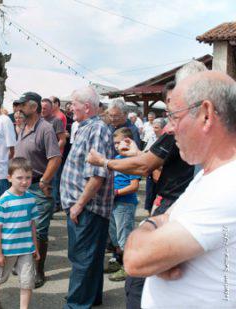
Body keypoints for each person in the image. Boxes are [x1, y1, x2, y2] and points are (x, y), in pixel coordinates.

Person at [123, 71, 236, 308]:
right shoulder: (208, 176)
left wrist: (149, 229)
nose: (169, 129)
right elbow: (164, 218)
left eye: (174, 117)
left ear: (206, 115)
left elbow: (135, 260)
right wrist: (156, 227)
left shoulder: (226, 184)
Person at [86, 82, 194, 308]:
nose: (170, 113)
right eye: (169, 105)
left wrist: (104, 162)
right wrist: (138, 154)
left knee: (138, 280)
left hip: (168, 205)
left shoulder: (178, 132)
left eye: (174, 106)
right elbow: (153, 163)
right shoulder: (180, 135)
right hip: (166, 204)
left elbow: (145, 167)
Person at [60, 86, 115, 308]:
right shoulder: (86, 127)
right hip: (83, 206)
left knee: (82, 258)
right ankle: (90, 298)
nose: (70, 107)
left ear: (87, 106)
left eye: (74, 103)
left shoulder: (98, 129)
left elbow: (97, 174)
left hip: (86, 207)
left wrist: (79, 205)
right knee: (89, 257)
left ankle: (77, 304)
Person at [4, 92, 61, 288]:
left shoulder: (45, 129)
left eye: (22, 105)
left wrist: (45, 181)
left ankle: (38, 271)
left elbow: (55, 158)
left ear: (34, 107)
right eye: (17, 105)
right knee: (23, 226)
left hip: (38, 187)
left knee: (39, 232)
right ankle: (23, 264)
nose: (18, 109)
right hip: (21, 187)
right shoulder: (22, 127)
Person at [0, 158, 40, 309]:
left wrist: (35, 247)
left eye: (28, 178)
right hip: (8, 250)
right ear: (9, 178)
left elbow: (32, 225)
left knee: (27, 281)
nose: (24, 182)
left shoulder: (30, 199)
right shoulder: (4, 200)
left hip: (26, 249)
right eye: (19, 178)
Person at [104, 128, 141, 282]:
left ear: (129, 141)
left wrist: (117, 193)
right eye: (115, 143)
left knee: (124, 237)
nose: (116, 146)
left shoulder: (130, 161)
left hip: (125, 204)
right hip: (114, 204)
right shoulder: (117, 158)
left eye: (119, 143)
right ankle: (119, 262)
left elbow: (134, 186)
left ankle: (129, 268)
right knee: (115, 237)